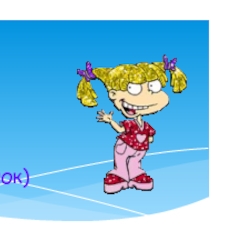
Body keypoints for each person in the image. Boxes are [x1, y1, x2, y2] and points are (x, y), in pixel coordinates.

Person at [76, 57, 188, 193]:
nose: (146, 97)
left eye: (154, 87)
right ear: (113, 94)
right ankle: (120, 176)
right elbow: (120, 129)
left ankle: (136, 175)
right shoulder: (129, 123)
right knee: (122, 162)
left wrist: (148, 139)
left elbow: (150, 135)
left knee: (135, 162)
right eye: (134, 89)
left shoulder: (145, 125)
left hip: (140, 149)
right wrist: (110, 120)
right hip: (124, 147)